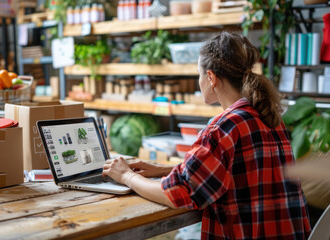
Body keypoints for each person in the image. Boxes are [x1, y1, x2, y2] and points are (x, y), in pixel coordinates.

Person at [102, 32, 311, 239]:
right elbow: (234, 170)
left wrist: (126, 176)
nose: (198, 81)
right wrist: (164, 169)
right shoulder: (269, 117)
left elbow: (177, 195)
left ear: (211, 77)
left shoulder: (223, 128)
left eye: (199, 74)